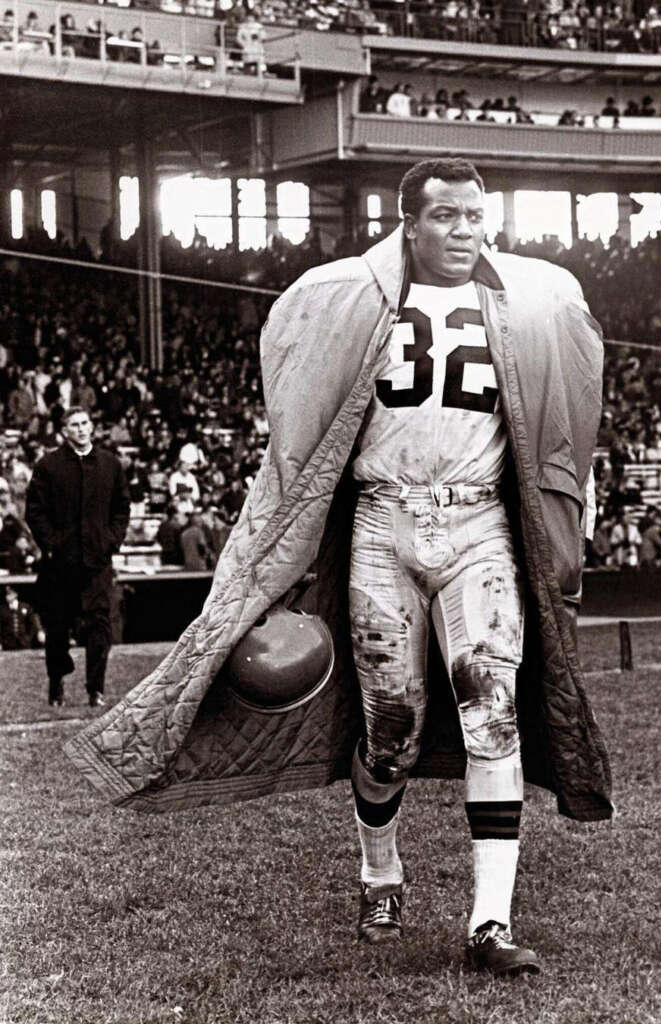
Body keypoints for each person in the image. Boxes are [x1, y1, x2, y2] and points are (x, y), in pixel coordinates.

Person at [64, 159, 612, 976]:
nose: (467, 232)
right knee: (390, 726)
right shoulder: (345, 297)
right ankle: (379, 869)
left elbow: (566, 415)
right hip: (384, 518)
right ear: (409, 223)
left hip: (479, 522)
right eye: (448, 218)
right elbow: (299, 421)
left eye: (476, 216)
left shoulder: (535, 300)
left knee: (490, 704)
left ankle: (489, 923)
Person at [25, 407, 131, 707]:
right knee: (57, 628)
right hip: (60, 564)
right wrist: (52, 544)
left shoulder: (110, 465)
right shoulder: (49, 466)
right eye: (75, 425)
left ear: (92, 427)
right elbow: (34, 511)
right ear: (64, 431)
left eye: (85, 423)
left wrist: (112, 539)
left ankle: (95, 689)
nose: (82, 429)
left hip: (97, 562)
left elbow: (122, 507)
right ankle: (56, 681)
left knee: (100, 625)